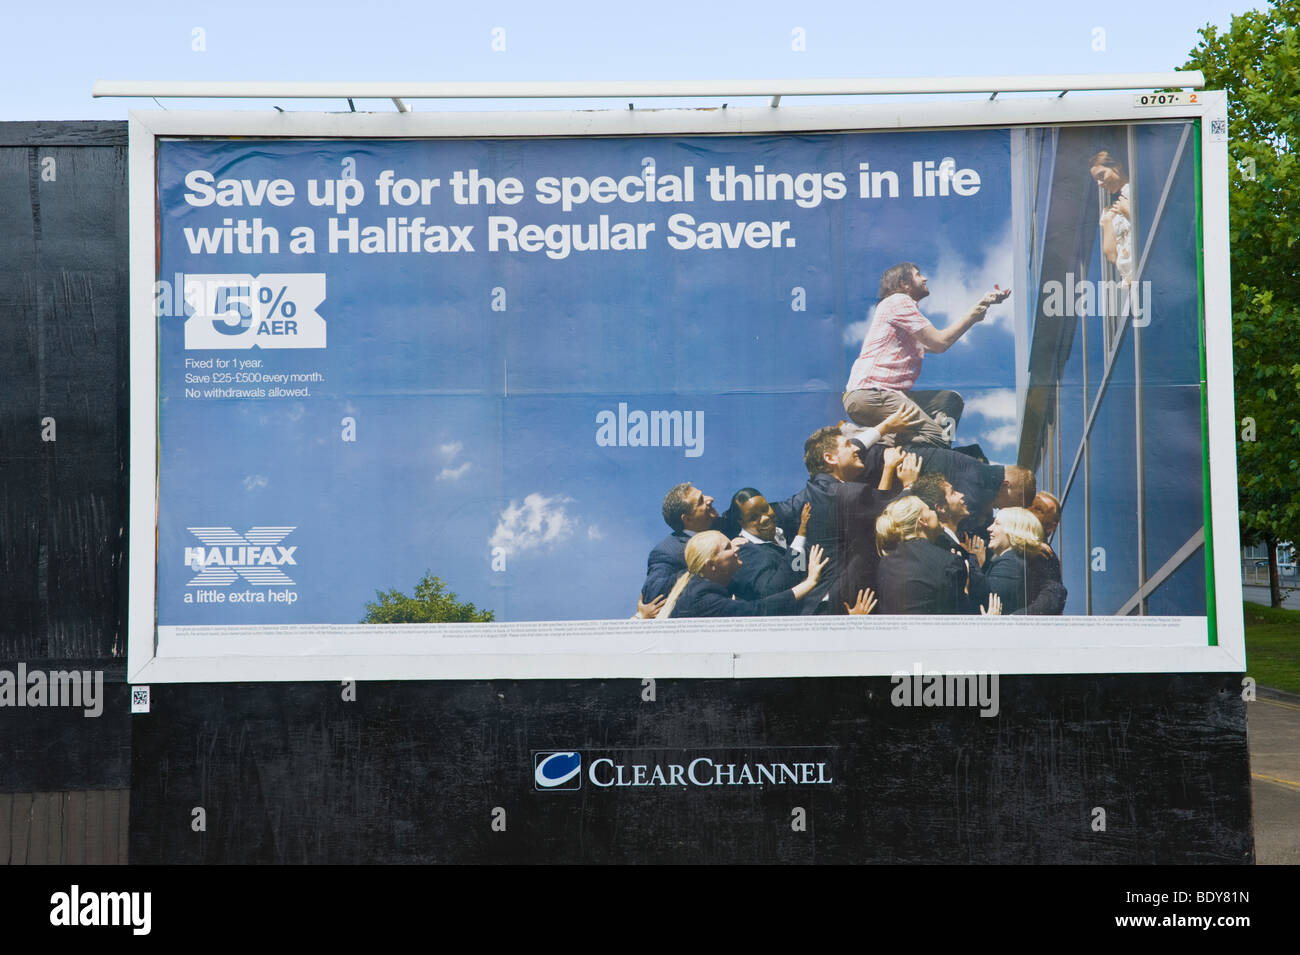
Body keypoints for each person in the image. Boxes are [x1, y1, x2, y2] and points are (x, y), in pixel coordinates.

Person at [843, 262, 1011, 447]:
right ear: (904, 284)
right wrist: (973, 316)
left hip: (882, 396)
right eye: (918, 275)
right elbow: (940, 343)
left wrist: (982, 304)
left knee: (950, 400)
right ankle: (861, 436)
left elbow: (936, 343)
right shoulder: (899, 301)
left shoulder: (903, 321)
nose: (924, 278)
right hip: (872, 395)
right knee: (938, 439)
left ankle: (937, 447)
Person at [874, 496, 1001, 615]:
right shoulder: (950, 562)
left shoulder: (885, 561)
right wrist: (965, 591)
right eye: (929, 509)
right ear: (922, 521)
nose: (935, 512)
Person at [909, 470, 989, 609]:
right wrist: (976, 564)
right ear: (940, 508)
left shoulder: (956, 542)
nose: (961, 495)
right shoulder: (943, 547)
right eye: (953, 492)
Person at [725, 489, 809, 601]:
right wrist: (801, 536)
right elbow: (772, 592)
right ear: (741, 522)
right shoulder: (745, 553)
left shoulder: (780, 531)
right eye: (753, 518)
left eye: (765, 509)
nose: (764, 518)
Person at [641, 483, 719, 602]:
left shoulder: (721, 525)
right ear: (687, 519)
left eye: (703, 495)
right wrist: (702, 568)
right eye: (701, 501)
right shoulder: (667, 551)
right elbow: (654, 592)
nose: (710, 499)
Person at [982, 507, 1056, 615]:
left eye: (997, 523)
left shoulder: (1009, 563)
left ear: (1013, 530)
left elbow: (983, 602)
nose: (989, 528)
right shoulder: (1015, 559)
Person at [1089, 150, 1134, 283]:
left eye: (1101, 175)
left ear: (1117, 166)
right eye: (1096, 180)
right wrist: (1107, 222)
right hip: (1130, 282)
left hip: (1144, 270)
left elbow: (1152, 229)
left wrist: (1128, 211)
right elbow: (1112, 256)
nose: (1099, 184)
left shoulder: (1135, 191)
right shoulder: (1109, 211)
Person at [1023, 491, 1067, 615]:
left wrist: (1015, 618)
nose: (1028, 510)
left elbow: (1052, 597)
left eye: (1038, 509)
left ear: (1051, 527)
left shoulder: (1045, 556)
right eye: (1028, 505)